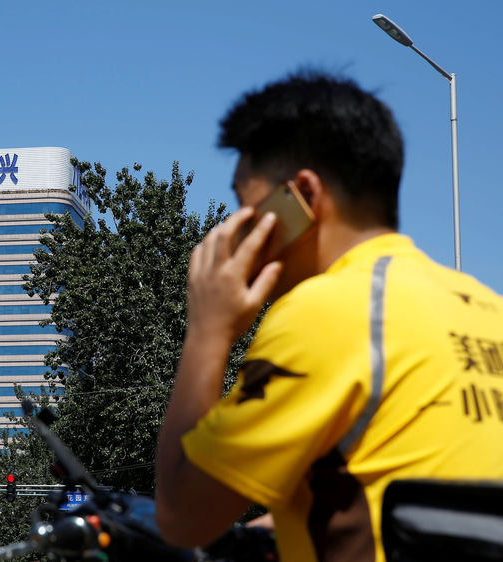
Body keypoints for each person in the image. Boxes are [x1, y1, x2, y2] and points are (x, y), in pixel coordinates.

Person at [155, 69, 503, 562]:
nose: (235, 225)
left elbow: (183, 516)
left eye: (243, 202)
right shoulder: (489, 309)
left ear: (304, 196)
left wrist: (207, 332)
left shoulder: (325, 312)